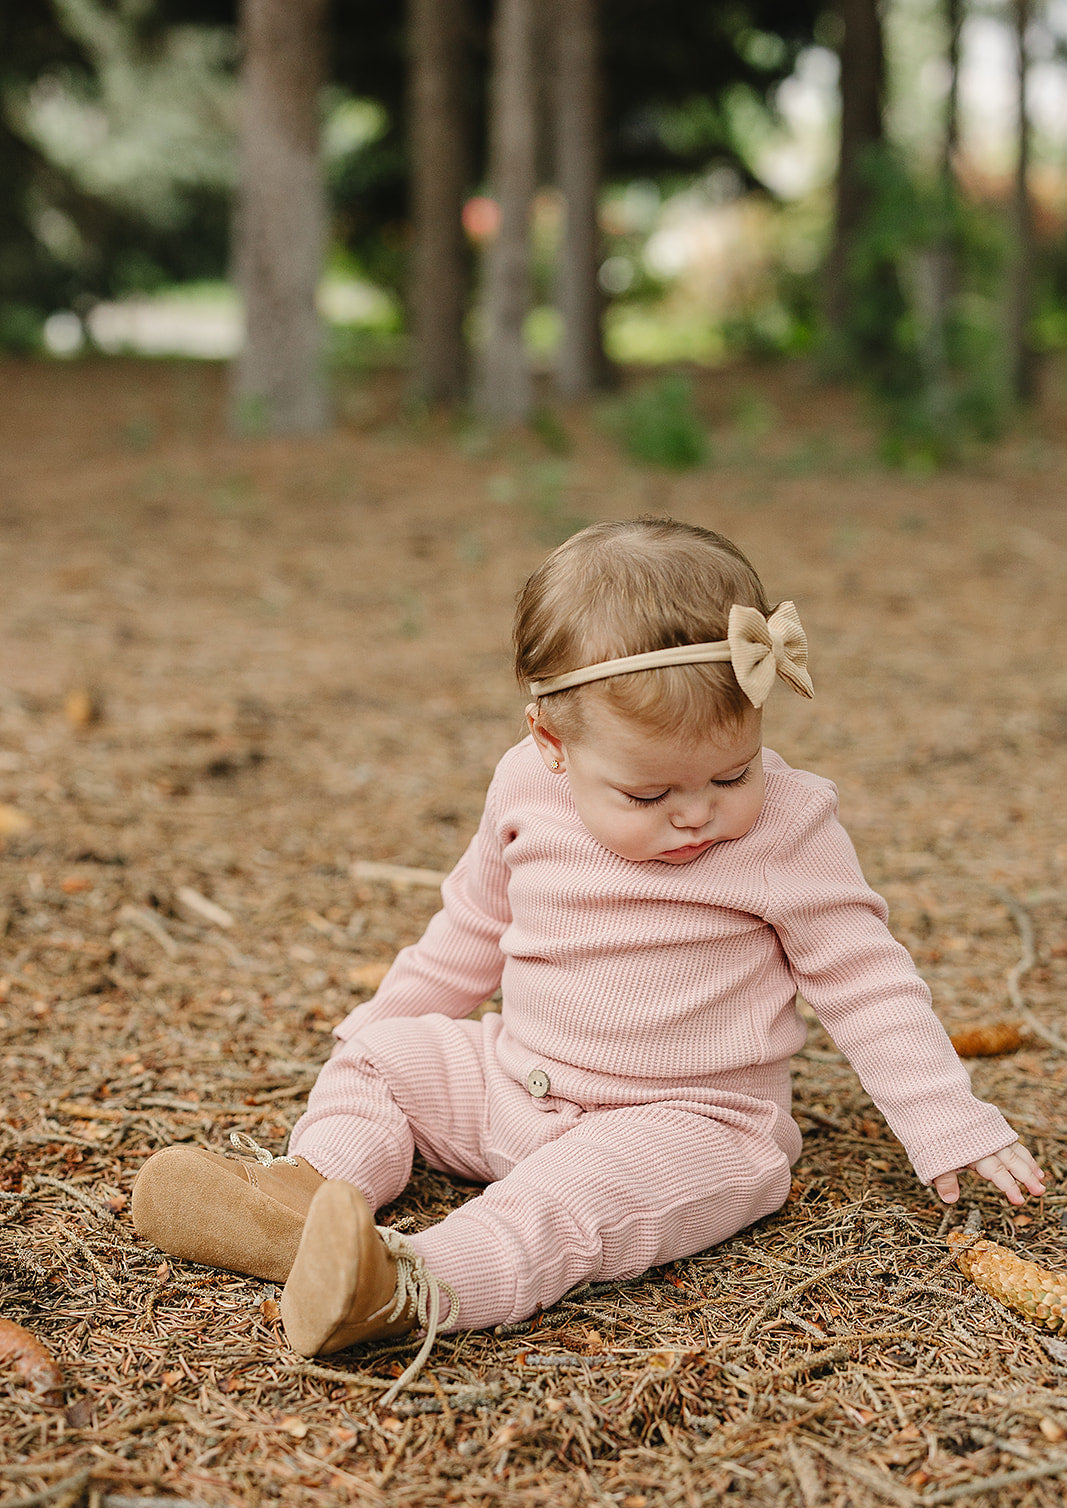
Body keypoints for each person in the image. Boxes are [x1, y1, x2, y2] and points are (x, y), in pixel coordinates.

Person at [132, 517, 1044, 1400]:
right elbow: (469, 926)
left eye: (732, 774)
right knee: (386, 1058)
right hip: (515, 1081)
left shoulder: (789, 827)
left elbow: (866, 980)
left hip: (693, 1122)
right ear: (551, 745)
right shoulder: (523, 788)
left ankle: (406, 1285)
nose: (696, 812)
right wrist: (370, 1035)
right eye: (648, 791)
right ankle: (306, 1197)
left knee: (567, 1204)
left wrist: (946, 1121)